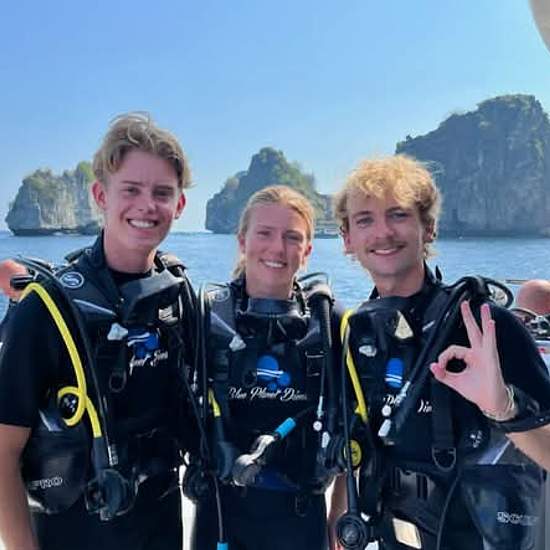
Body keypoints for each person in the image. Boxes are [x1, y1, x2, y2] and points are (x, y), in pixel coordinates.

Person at [331, 155, 550, 550]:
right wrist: (337, 519)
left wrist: (504, 409)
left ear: (428, 227)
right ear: (347, 239)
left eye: (398, 214)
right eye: (365, 220)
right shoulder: (357, 334)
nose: (383, 232)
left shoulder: (485, 327)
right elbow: (356, 438)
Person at [0, 112, 196, 550]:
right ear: (100, 195)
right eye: (131, 189)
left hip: (161, 529)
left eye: (162, 193)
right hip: (73, 533)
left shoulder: (178, 299)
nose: (147, 205)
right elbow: (3, 450)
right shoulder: (46, 309)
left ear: (180, 206)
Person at [188, 185, 343, 550]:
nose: (277, 248)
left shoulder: (328, 322)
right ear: (242, 241)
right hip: (221, 514)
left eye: (292, 237)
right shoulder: (206, 318)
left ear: (307, 250)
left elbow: (352, 423)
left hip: (300, 515)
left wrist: (339, 513)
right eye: (265, 233)